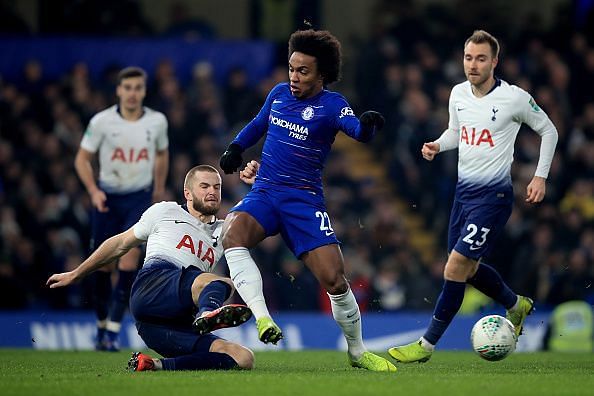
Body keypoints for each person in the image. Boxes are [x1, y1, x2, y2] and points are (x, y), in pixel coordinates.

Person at [218, 29, 396, 372]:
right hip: (266, 192)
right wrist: (236, 148)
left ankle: (357, 352)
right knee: (232, 234)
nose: (294, 77)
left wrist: (369, 127)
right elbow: (258, 124)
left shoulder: (332, 105)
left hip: (304, 201)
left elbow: (356, 130)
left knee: (335, 280)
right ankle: (263, 317)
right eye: (291, 68)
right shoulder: (279, 94)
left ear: (322, 74)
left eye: (303, 71)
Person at [388, 30, 558, 363]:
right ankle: (515, 304)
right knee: (465, 269)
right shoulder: (457, 94)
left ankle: (425, 346)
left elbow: (548, 129)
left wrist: (540, 176)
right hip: (462, 195)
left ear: (495, 61)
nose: (473, 65)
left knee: (454, 268)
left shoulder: (514, 98)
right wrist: (439, 144)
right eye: (468, 58)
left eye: (481, 58)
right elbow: (457, 131)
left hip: (493, 197)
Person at [47, 165, 255, 371]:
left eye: (217, 187)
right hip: (153, 286)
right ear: (188, 193)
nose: (212, 192)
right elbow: (120, 243)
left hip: (160, 326)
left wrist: (260, 186)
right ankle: (207, 314)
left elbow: (260, 220)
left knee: (243, 357)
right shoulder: (165, 210)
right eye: (205, 186)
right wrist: (77, 273)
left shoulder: (224, 230)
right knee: (220, 282)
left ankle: (154, 365)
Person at [74, 66, 169, 351]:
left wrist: (158, 188)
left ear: (144, 90)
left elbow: (162, 154)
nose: (132, 93)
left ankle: (113, 331)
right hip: (107, 198)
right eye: (127, 88)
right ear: (118, 90)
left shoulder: (157, 121)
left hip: (138, 198)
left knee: (128, 259)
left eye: (138, 88)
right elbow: (82, 159)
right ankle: (102, 325)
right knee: (104, 264)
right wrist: (93, 191)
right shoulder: (102, 121)